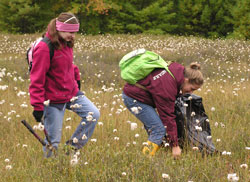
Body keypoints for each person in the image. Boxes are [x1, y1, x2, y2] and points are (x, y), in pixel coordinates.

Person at [29, 12, 100, 158]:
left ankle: (71, 149)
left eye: (75, 32)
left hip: (71, 93)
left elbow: (67, 65)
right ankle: (51, 169)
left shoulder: (66, 43)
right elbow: (37, 78)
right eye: (70, 31)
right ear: (59, 28)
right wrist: (37, 106)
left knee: (93, 114)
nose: (73, 35)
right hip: (53, 100)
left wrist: (76, 76)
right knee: (53, 141)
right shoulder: (44, 48)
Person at [122, 62, 204, 158]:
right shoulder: (168, 86)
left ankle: (158, 154)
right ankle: (145, 159)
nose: (191, 92)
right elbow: (167, 116)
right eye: (191, 88)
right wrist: (175, 145)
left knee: (157, 128)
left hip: (138, 95)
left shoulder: (176, 71)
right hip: (134, 98)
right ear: (186, 80)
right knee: (158, 129)